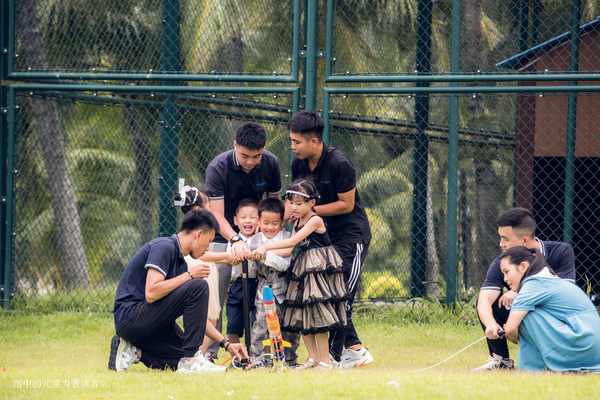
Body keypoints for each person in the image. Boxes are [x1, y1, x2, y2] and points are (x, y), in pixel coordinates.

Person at [109, 209, 248, 374]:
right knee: (199, 285)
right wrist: (190, 275)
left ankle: (132, 352)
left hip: (149, 324)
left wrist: (226, 343)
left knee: (180, 358)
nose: (208, 248)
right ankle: (191, 359)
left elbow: (198, 318)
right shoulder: (164, 247)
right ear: (198, 235)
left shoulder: (180, 262)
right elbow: (151, 292)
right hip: (130, 317)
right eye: (209, 241)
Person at [287, 110, 373, 368]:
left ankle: (332, 357)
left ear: (314, 141)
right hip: (321, 238)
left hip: (350, 237)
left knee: (341, 296)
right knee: (325, 294)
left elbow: (346, 205)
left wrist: (310, 212)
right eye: (291, 141)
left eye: (297, 142)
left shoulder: (339, 163)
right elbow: (297, 201)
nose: (292, 147)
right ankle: (355, 351)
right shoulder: (298, 163)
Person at [204, 121, 282, 358]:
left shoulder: (270, 162)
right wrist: (236, 239)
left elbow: (275, 204)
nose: (250, 161)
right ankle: (208, 353)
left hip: (259, 236)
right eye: (245, 155)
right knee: (213, 296)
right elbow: (216, 214)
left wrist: (265, 232)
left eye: (256, 156)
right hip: (221, 234)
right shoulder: (218, 167)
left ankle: (263, 352)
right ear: (235, 145)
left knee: (265, 292)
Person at [254, 179, 348, 370]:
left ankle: (326, 361)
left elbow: (292, 241)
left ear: (312, 203)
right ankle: (313, 357)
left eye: (299, 203)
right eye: (291, 203)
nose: (294, 207)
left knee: (317, 312)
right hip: (303, 268)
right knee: (303, 311)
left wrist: (265, 247)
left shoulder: (315, 220)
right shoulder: (296, 221)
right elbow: (289, 251)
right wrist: (261, 254)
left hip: (318, 268)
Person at [473, 207, 576, 371]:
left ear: (525, 241)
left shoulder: (561, 251)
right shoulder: (501, 262)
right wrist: (491, 324)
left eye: (505, 239)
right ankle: (501, 361)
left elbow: (565, 292)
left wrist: (522, 293)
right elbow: (484, 299)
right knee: (491, 301)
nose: (501, 244)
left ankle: (556, 358)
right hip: (518, 317)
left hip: (551, 318)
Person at [500, 246, 600, 372]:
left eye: (507, 272)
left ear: (523, 266)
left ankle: (533, 370)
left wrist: (514, 336)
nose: (505, 279)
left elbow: (510, 328)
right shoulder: (547, 279)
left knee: (526, 316)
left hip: (583, 344)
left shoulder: (533, 283)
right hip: (592, 346)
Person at [173, 185, 233, 361]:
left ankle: (198, 355)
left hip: (205, 267)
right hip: (202, 269)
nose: (211, 210)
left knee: (208, 316)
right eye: (208, 206)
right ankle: (197, 356)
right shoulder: (198, 235)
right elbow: (204, 255)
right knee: (209, 316)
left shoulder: (187, 231)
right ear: (198, 209)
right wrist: (228, 256)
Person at [246, 198, 300, 368]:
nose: (270, 227)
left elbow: (285, 263)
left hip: (284, 289)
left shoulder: (286, 238)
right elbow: (250, 269)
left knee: (287, 325)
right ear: (259, 221)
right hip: (263, 290)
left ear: (282, 223)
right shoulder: (253, 240)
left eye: (275, 223)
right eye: (266, 223)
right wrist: (248, 258)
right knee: (260, 324)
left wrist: (267, 256)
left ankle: (289, 359)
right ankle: (257, 359)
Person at [225, 198, 260, 345]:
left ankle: (255, 352)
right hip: (239, 283)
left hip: (258, 283)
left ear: (259, 220)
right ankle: (237, 356)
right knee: (233, 322)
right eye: (244, 217)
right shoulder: (233, 240)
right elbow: (229, 260)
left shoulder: (261, 238)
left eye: (253, 217)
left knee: (257, 321)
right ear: (235, 220)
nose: (248, 221)